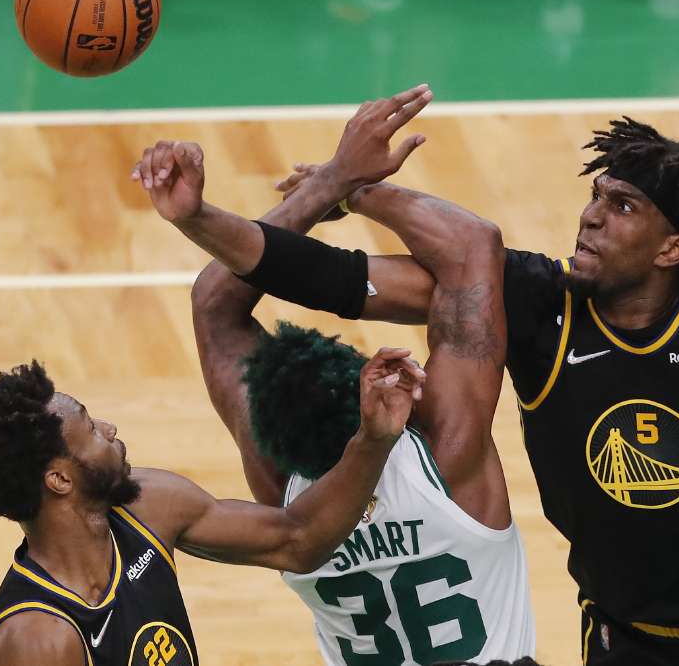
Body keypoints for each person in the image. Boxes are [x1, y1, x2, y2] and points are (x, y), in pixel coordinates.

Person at [183, 114, 679, 666]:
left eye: (621, 205)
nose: (591, 217)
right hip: (629, 640)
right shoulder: (539, 303)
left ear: (674, 246)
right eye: (595, 196)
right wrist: (342, 190)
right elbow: (325, 276)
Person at [130, 85, 537, 665]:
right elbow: (474, 247)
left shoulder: (285, 503)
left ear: (268, 436)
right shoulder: (448, 453)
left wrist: (326, 185)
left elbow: (215, 305)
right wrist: (356, 188)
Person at [0, 350, 423, 666]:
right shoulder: (37, 640)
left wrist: (373, 440)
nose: (108, 429)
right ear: (60, 479)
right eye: (89, 429)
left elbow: (297, 539)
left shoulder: (150, 505)